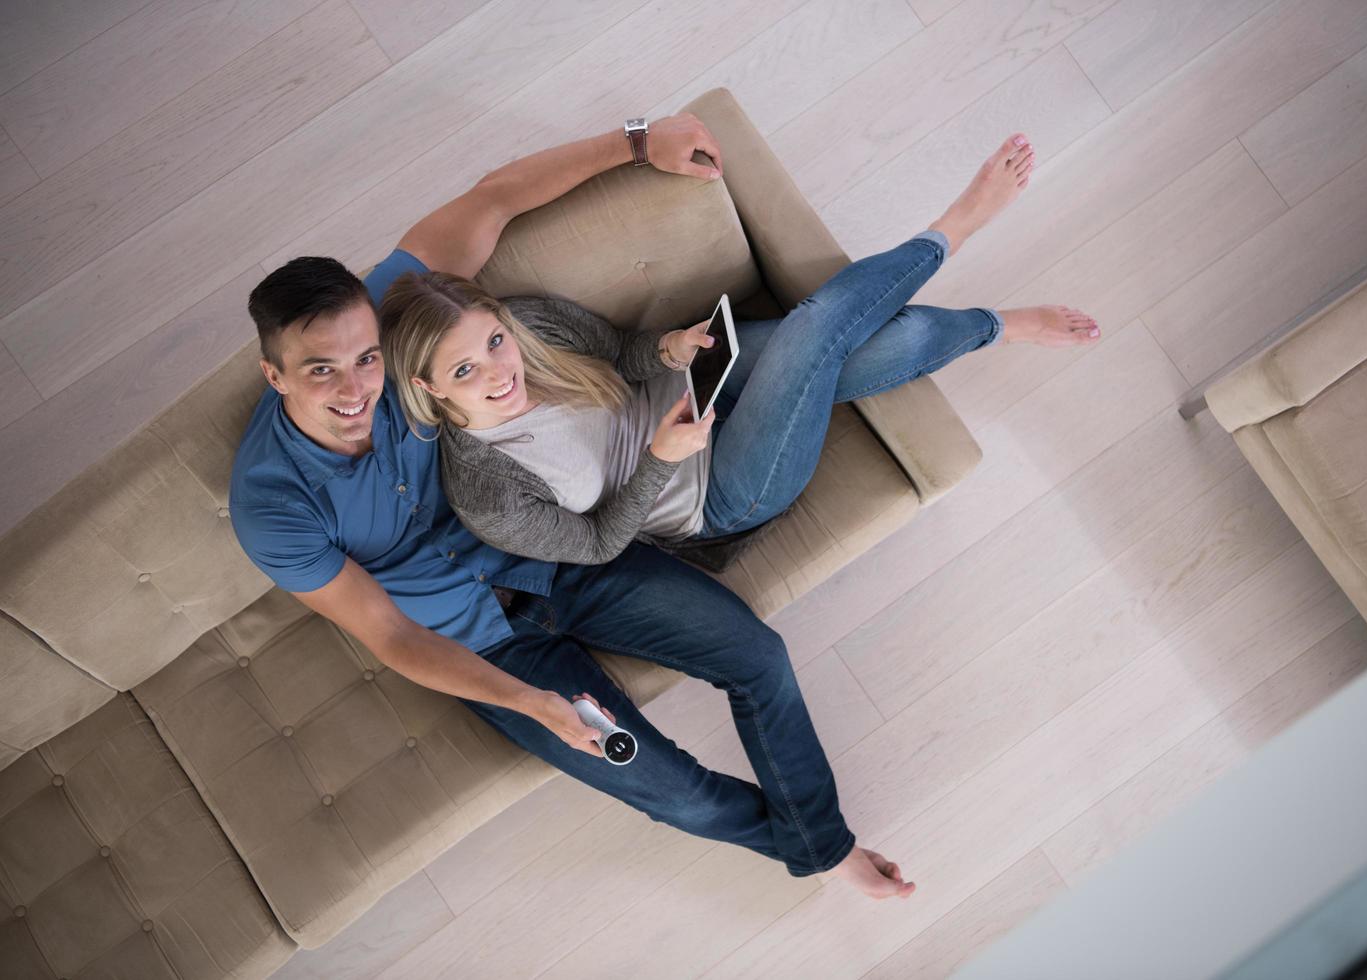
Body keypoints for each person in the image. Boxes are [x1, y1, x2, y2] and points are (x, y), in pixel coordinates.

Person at [228, 114, 915, 900]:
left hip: (564, 557)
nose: (354, 389)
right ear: (274, 375)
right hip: (489, 653)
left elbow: (493, 200)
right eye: (320, 372)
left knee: (758, 658)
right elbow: (387, 633)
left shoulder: (396, 320)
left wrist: (636, 143)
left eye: (364, 359)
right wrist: (531, 704)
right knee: (675, 792)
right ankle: (825, 849)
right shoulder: (272, 506)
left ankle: (822, 847)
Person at [376, 133, 1101, 566]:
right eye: (466, 371)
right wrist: (661, 460)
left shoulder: (531, 326)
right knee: (818, 330)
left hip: (693, 387)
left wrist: (667, 349)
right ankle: (954, 230)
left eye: (494, 342)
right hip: (714, 492)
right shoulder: (486, 491)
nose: (500, 370)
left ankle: (998, 326)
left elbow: (622, 354)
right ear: (430, 386)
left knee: (887, 336)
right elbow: (597, 545)